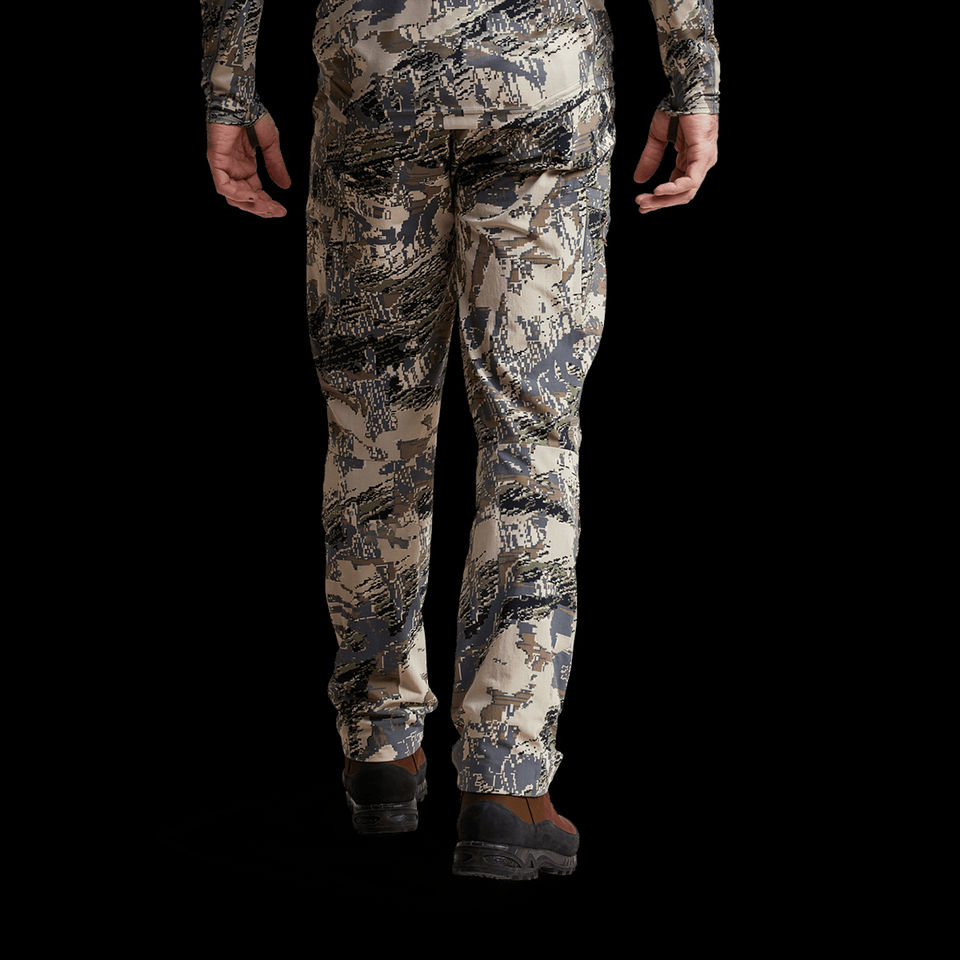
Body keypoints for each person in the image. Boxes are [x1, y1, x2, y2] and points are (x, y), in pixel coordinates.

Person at [200, 0, 719, 881]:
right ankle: (506, 783)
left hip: (376, 71)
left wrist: (227, 89)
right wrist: (694, 76)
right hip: (543, 78)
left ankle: (379, 746)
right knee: (531, 434)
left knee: (373, 420)